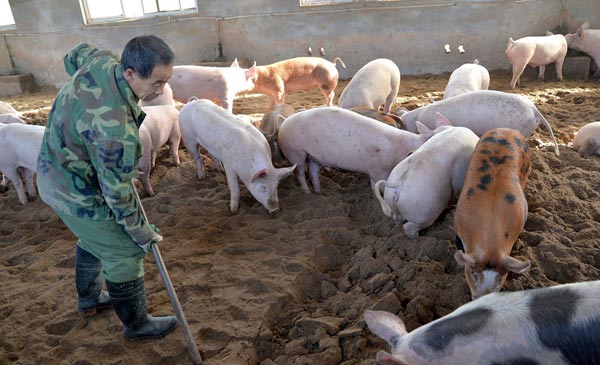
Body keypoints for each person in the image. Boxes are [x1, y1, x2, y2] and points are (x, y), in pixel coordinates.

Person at [37, 35, 177, 340]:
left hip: (57, 168)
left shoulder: (101, 60)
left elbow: (74, 53)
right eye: (155, 83)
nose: (161, 90)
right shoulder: (115, 130)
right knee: (124, 250)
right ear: (130, 73)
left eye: (165, 81)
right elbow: (117, 193)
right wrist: (142, 234)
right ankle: (136, 325)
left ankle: (89, 299)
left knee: (97, 238)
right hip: (72, 189)